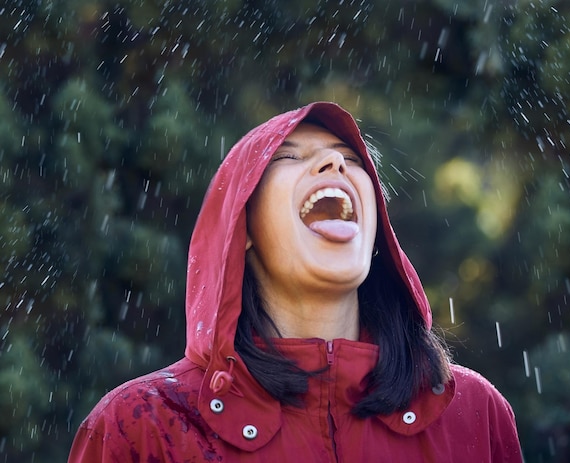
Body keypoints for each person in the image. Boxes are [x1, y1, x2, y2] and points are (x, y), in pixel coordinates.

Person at [68, 102, 523, 461]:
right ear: (240, 230)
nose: (334, 164)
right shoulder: (141, 426)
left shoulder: (473, 413)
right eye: (289, 156)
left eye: (350, 159)